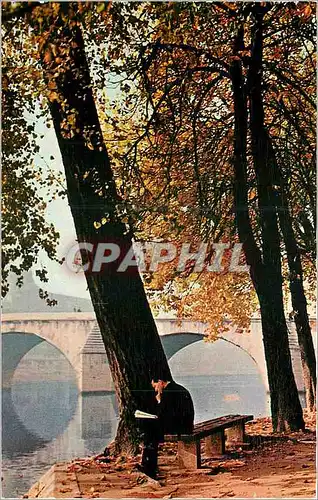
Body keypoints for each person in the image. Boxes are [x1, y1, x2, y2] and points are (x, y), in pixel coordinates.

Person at [137, 377, 194, 479]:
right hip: (185, 424)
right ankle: (148, 465)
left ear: (160, 382)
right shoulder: (176, 388)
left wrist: (159, 401)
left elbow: (163, 414)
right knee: (151, 431)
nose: (155, 389)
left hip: (181, 427)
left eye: (155, 386)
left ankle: (149, 467)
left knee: (150, 432)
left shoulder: (168, 393)